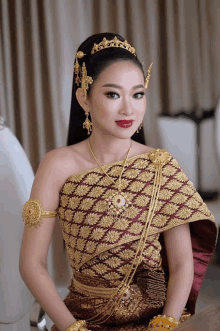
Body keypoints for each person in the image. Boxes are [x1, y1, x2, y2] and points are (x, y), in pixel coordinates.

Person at [19, 33, 218, 331]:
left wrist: (166, 323)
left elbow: (181, 264)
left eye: (138, 94)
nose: (129, 109)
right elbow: (31, 265)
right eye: (113, 94)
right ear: (84, 97)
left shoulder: (160, 164)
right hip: (84, 321)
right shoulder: (57, 165)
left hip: (157, 320)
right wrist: (71, 327)